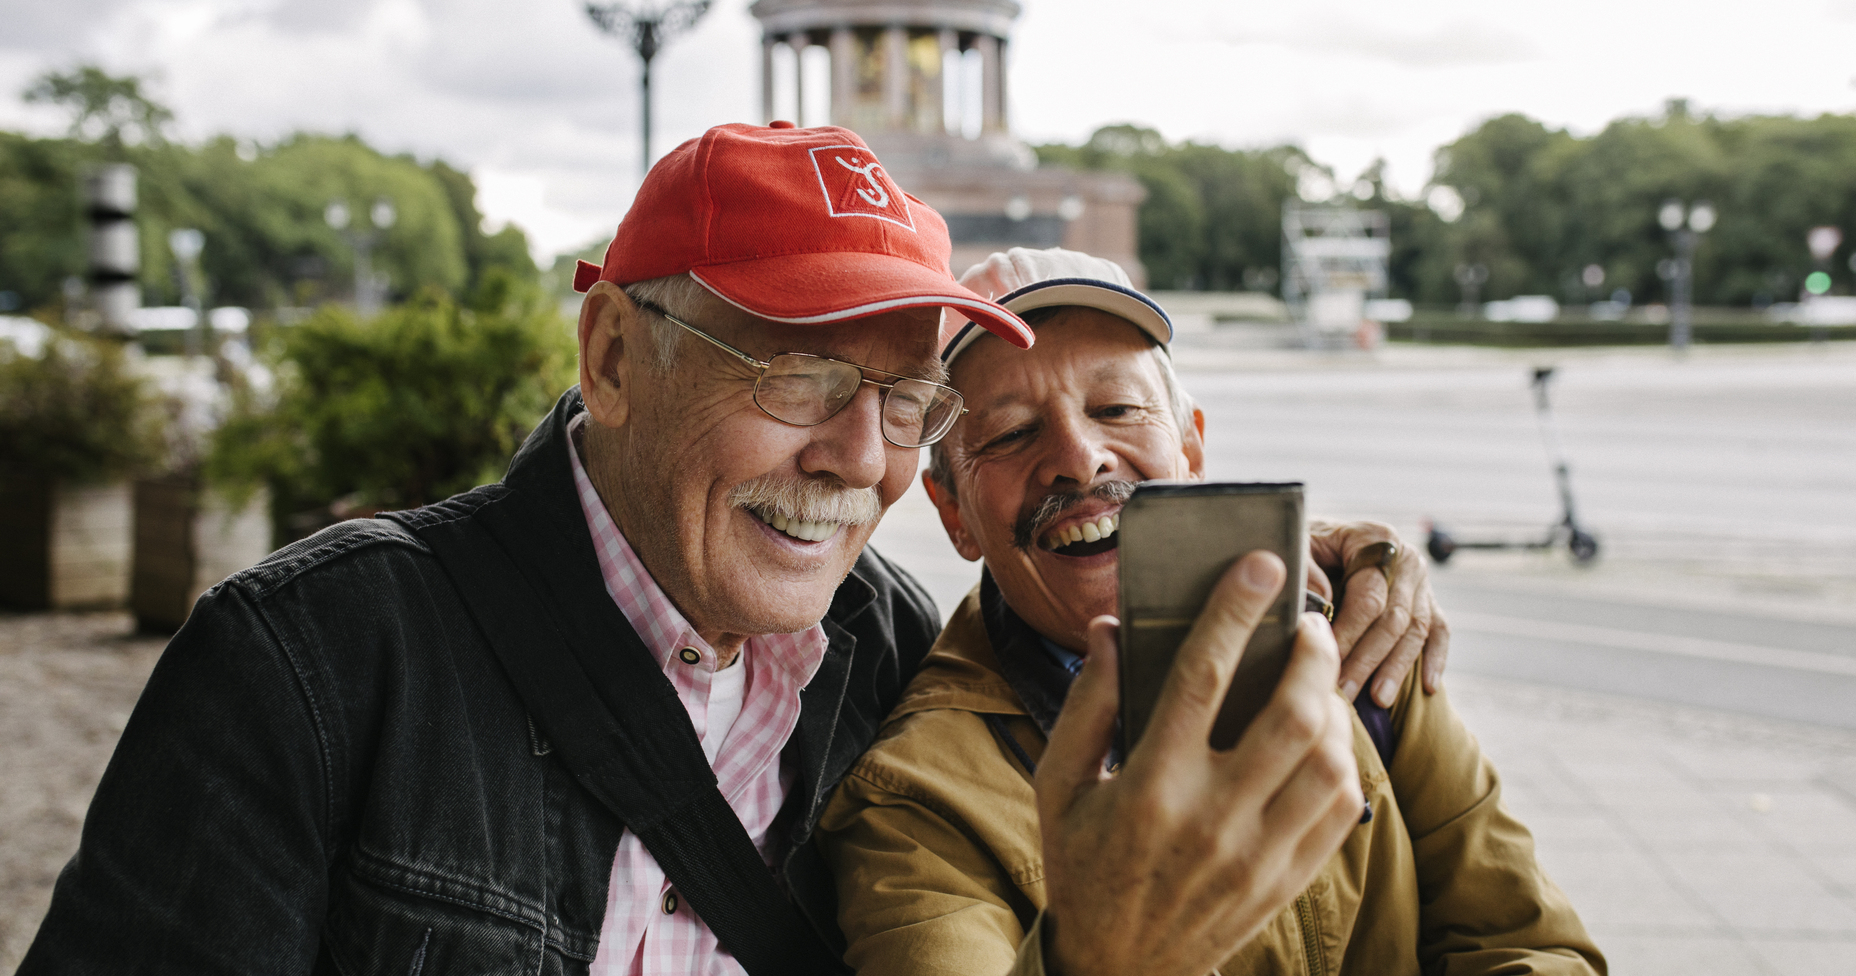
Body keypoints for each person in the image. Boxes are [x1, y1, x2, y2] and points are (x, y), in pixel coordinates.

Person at [20, 128, 1439, 976]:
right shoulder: (315, 668)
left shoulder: (892, 664)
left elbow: (1071, 586)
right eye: (800, 377)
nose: (857, 458)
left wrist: (1338, 561)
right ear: (616, 355)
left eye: (901, 398)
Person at [816, 247, 1606, 976]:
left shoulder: (1353, 638)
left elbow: (1528, 944)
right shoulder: (914, 801)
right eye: (1013, 432)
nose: (1078, 456)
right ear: (953, 513)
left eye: (1119, 410)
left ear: (1191, 450)